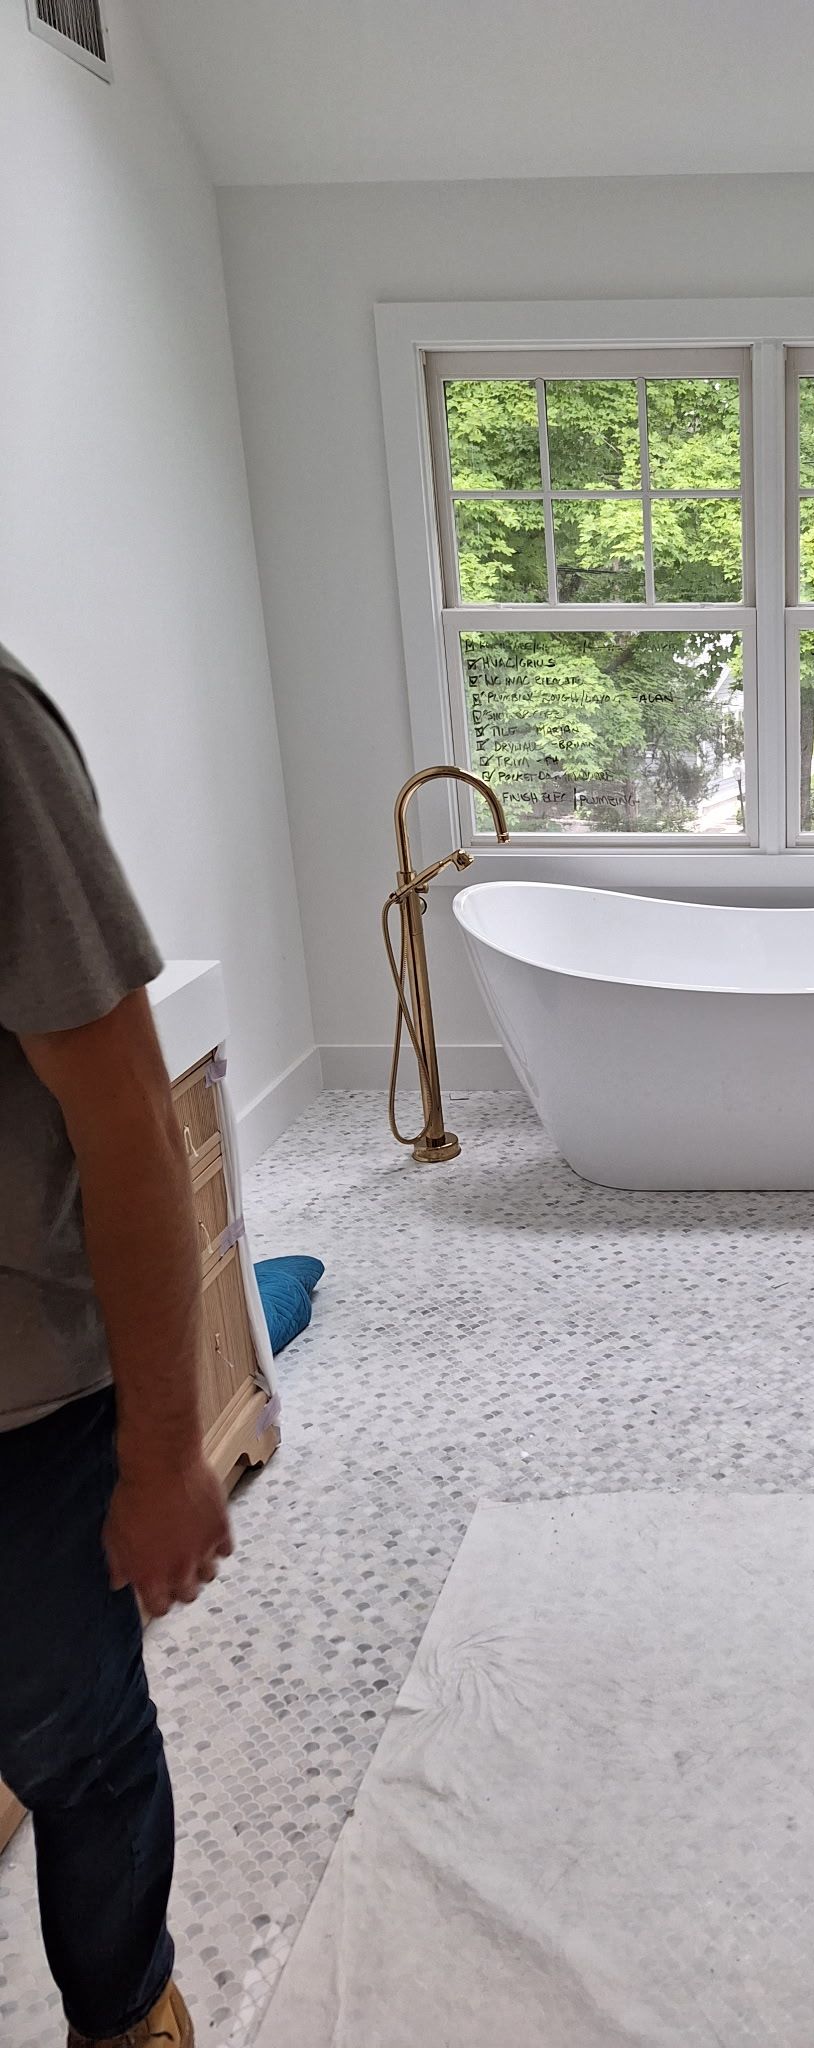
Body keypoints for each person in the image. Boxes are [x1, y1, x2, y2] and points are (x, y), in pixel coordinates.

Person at [0, 645, 232, 2048]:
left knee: (75, 1745)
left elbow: (130, 1123)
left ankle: (127, 2014)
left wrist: (163, 1452)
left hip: (18, 1405)